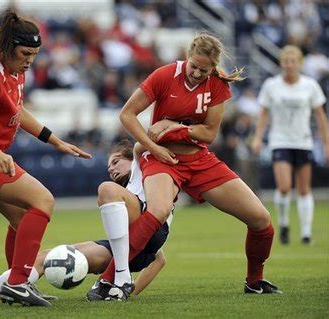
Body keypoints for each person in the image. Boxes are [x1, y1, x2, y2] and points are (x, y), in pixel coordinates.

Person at [89, 32, 282, 301]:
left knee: (262, 221)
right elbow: (127, 115)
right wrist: (153, 147)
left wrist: (172, 127)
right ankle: (109, 280)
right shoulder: (164, 75)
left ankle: (254, 281)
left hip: (199, 161)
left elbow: (209, 134)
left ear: (212, 67)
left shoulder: (217, 83)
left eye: (204, 70)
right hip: (162, 158)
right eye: (194, 66)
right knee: (158, 210)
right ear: (187, 57)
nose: (196, 73)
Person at [0, 10, 91, 307]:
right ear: (9, 48)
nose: (30, 60)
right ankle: (18, 283)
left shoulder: (16, 73)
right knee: (44, 201)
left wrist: (55, 140)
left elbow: (17, 112)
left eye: (35, 54)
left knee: (21, 219)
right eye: (25, 53)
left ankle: (17, 282)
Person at [0, 139, 172, 306]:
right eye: (108, 164)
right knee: (42, 258)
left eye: (116, 162)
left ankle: (118, 279)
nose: (110, 168)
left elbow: (140, 145)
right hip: (124, 251)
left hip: (144, 235)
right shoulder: (125, 194)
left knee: (107, 189)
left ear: (133, 161)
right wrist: (131, 292)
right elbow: (159, 259)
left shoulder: (145, 171)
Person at [252, 45, 328, 245]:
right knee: (284, 186)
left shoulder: (310, 85)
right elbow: (264, 114)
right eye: (286, 61)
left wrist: (326, 143)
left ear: (299, 63)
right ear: (281, 63)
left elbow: (320, 117)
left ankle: (306, 233)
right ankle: (284, 222)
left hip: (303, 141)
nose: (289, 65)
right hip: (280, 141)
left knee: (304, 189)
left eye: (293, 61)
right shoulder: (271, 85)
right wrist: (258, 137)